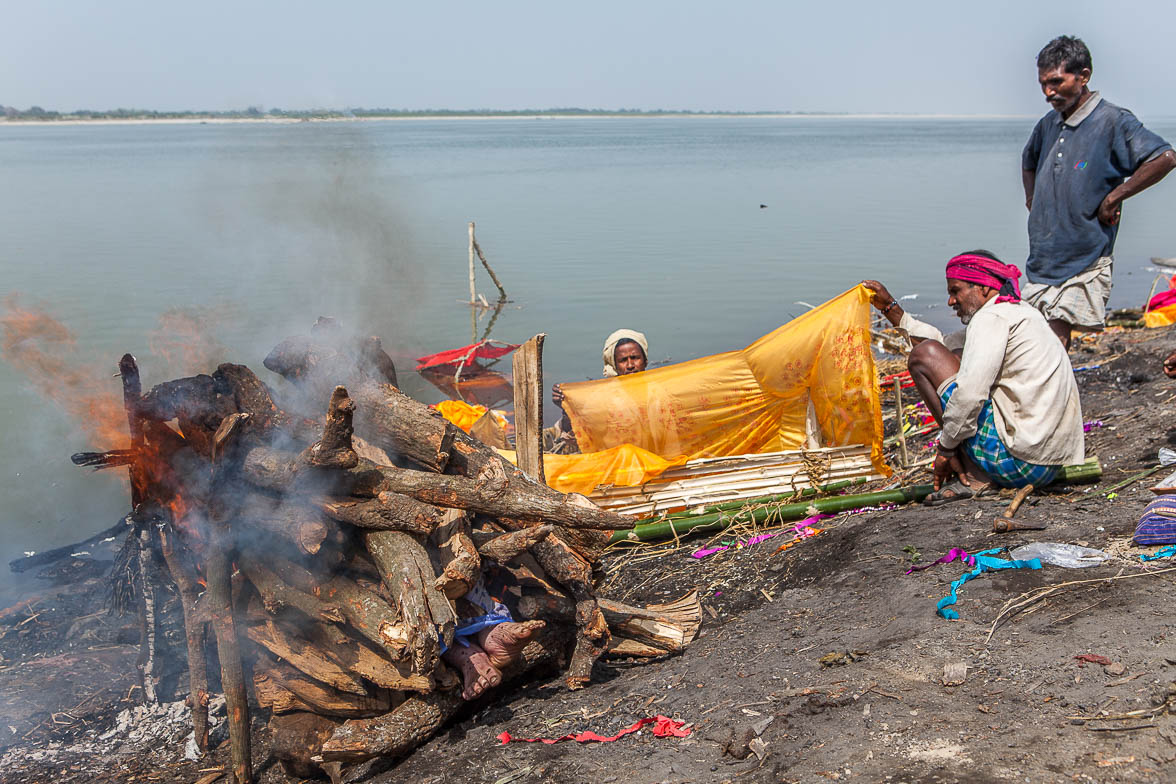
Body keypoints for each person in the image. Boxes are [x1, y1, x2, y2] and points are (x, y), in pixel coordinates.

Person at [863, 250, 1085, 504]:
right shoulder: (1018, 312)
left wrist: (946, 448)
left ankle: (973, 474)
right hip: (1048, 464)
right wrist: (890, 308)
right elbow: (942, 346)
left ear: (982, 287)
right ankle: (976, 467)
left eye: (955, 291)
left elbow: (965, 389)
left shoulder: (991, 319)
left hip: (1019, 464)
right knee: (950, 353)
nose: (950, 301)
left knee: (923, 357)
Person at [1021, 35, 1175, 349]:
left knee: (1052, 344)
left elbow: (1164, 157)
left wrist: (1115, 197)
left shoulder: (1112, 121)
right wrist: (1032, 200)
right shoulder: (1048, 124)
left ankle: (1055, 398)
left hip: (1086, 257)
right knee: (1035, 345)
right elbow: (1028, 162)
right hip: (1043, 258)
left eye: (1056, 82)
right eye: (1042, 84)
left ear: (1084, 76)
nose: (1048, 92)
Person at [546, 329, 649, 454]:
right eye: (623, 360)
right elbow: (578, 435)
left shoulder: (659, 392)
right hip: (615, 460)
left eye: (635, 358)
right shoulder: (601, 398)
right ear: (614, 365)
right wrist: (567, 409)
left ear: (645, 361)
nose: (630, 365)